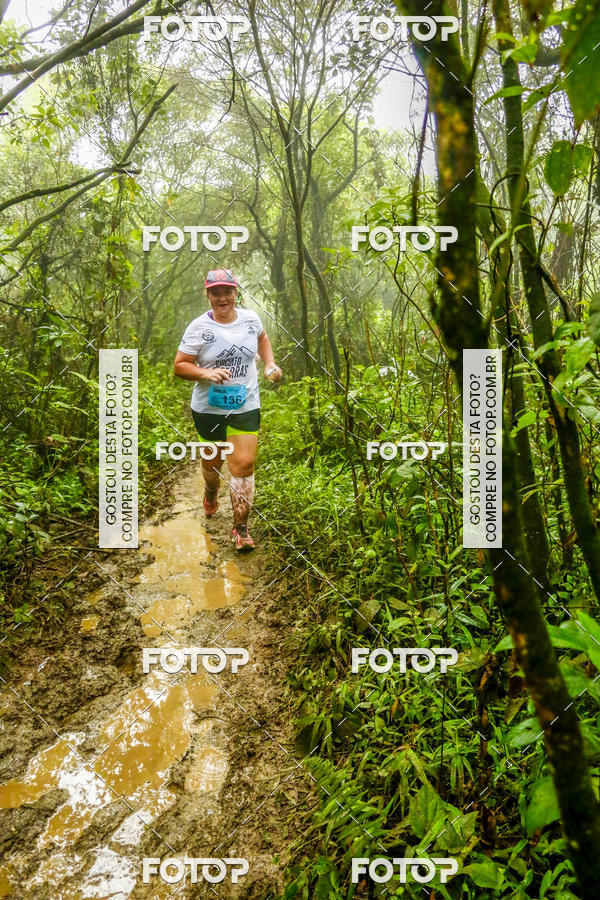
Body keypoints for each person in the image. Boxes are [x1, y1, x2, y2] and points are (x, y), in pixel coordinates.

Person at [173, 268, 282, 550]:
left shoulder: (250, 319)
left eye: (227, 291)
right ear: (208, 295)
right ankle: (211, 490)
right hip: (208, 408)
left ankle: (241, 528)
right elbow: (180, 366)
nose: (222, 297)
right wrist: (205, 374)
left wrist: (269, 364)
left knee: (243, 464)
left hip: (245, 404)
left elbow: (263, 338)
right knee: (212, 464)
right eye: (215, 292)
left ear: (236, 293)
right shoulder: (198, 328)